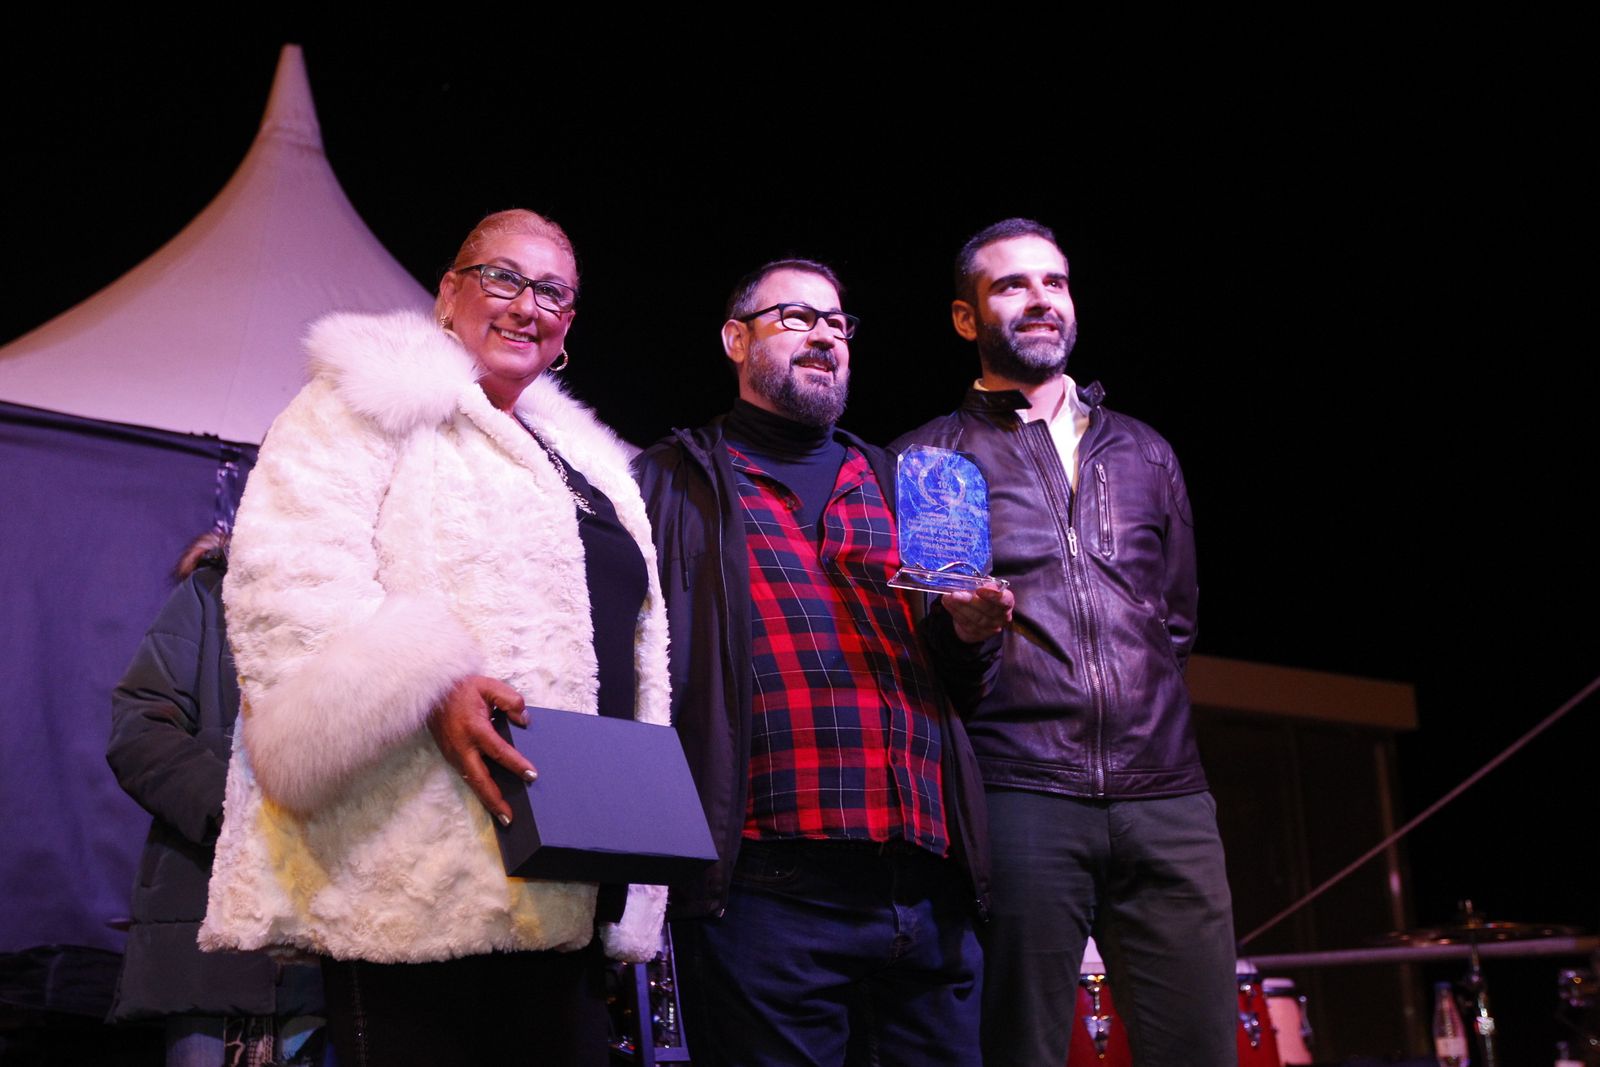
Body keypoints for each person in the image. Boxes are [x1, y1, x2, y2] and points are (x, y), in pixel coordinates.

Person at [198, 209, 671, 1066]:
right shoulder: (368, 397)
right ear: (450, 292)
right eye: (503, 277)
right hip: (413, 877)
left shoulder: (592, 463)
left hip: (566, 871)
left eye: (552, 291)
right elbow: (287, 581)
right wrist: (427, 681)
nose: (527, 305)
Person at [634, 258, 1012, 1066]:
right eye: (796, 318)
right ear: (735, 340)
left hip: (924, 886)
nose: (824, 336)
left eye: (837, 323)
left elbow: (961, 685)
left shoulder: (904, 482)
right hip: (766, 889)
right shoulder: (670, 482)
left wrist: (970, 634)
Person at [894, 218, 1237, 1067]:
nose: (1041, 298)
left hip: (1168, 795)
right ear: (966, 318)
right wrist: (967, 632)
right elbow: (924, 663)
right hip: (1020, 793)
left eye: (1055, 281)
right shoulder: (929, 458)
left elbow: (1175, 621)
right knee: (1021, 1050)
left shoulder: (1145, 450)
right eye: (1012, 284)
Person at [107, 531, 325, 1067]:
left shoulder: (375, 613)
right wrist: (241, 813)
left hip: (336, 949)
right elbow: (140, 728)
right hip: (213, 925)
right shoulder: (213, 593)